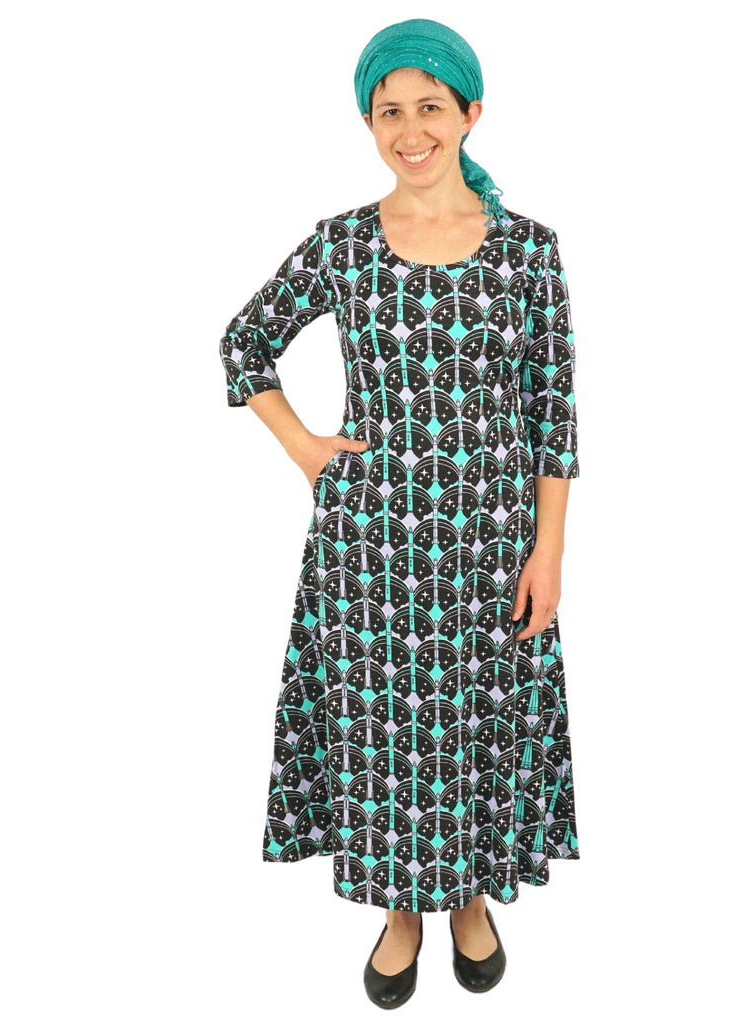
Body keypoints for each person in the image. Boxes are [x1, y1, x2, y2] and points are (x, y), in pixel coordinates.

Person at [218, 17, 581, 1009]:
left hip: (491, 546)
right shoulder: (343, 244)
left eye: (429, 107)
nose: (410, 130)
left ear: (470, 113)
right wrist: (304, 447)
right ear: (368, 123)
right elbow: (243, 343)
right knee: (385, 734)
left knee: (474, 726)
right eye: (389, 112)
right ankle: (401, 913)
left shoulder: (528, 252)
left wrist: (549, 550)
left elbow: (553, 412)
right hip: (370, 548)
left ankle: (469, 899)